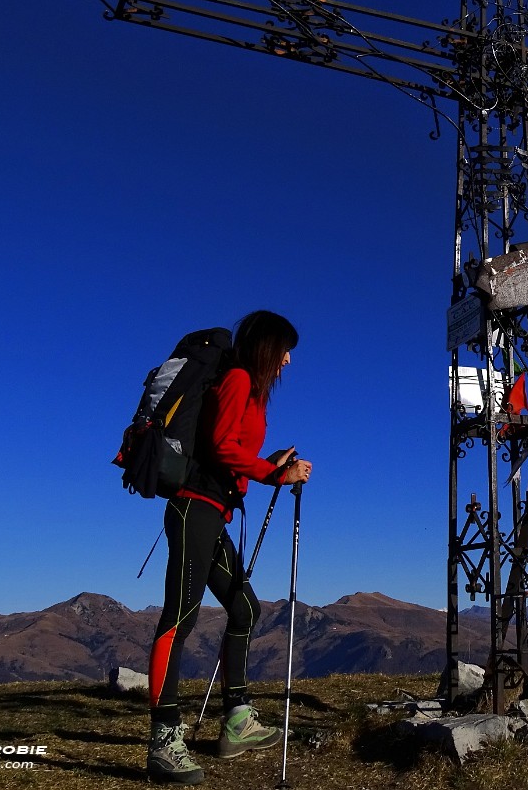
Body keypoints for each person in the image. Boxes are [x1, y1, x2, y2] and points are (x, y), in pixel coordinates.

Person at [146, 310, 312, 786]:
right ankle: (163, 741)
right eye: (284, 352)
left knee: (243, 609)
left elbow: (231, 448)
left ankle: (236, 720)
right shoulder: (238, 377)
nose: (286, 362)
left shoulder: (249, 389)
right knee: (179, 617)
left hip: (212, 513)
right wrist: (275, 473)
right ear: (267, 347)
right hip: (193, 509)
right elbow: (220, 447)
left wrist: (267, 462)